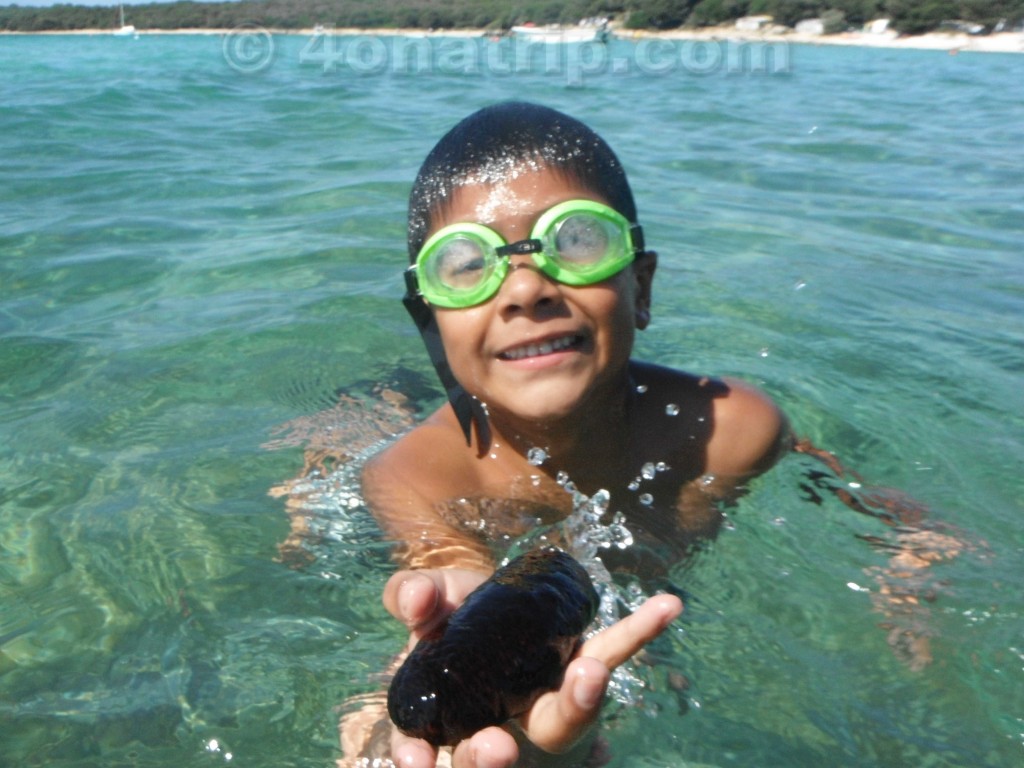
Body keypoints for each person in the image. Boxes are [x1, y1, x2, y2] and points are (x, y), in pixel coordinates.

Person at [349, 101, 791, 768]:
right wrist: (391, 735)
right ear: (431, 324)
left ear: (640, 286)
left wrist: (907, 544)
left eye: (577, 241)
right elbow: (449, 589)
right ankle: (362, 407)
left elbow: (839, 481)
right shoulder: (412, 476)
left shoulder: (733, 429)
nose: (525, 288)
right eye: (466, 264)